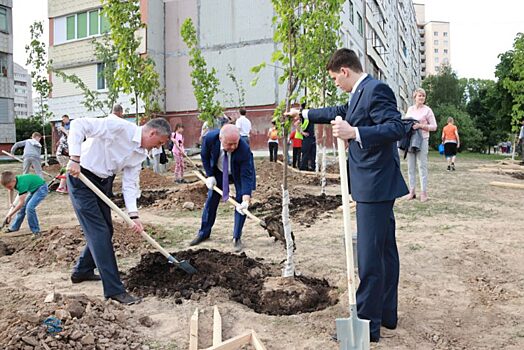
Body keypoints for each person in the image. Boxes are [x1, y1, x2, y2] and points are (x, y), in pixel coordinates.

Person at [286, 48, 408, 343]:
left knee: (368, 256)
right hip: (373, 183)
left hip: (375, 184)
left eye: (335, 79)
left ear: (345, 71)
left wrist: (354, 133)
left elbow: (395, 127)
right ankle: (387, 314)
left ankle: (367, 324)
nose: (335, 85)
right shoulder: (359, 92)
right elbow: (339, 110)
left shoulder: (376, 89)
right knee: (384, 251)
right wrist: (305, 114)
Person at [66, 116, 171, 305]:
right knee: (99, 232)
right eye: (159, 143)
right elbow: (78, 124)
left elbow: (130, 184)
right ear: (152, 133)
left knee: (107, 229)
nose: (158, 148)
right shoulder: (118, 127)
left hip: (103, 182)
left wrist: (134, 215)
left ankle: (82, 271)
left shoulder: (140, 154)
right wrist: (74, 158)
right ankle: (114, 290)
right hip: (81, 177)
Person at [189, 124, 256, 253]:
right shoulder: (209, 139)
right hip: (219, 172)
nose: (233, 147)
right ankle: (204, 233)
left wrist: (246, 199)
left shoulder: (243, 148)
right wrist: (210, 175)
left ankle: (236, 237)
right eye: (229, 144)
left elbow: (246, 175)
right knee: (211, 200)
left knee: (241, 204)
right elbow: (204, 156)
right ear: (221, 138)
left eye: (235, 143)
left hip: (238, 173)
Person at [404, 88, 437, 202]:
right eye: (420, 95)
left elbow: (434, 126)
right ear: (415, 97)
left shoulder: (428, 110)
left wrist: (421, 126)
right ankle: (412, 191)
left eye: (423, 96)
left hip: (422, 139)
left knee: (422, 166)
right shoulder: (410, 109)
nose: (422, 97)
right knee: (410, 167)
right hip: (410, 140)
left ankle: (424, 193)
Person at [1, 171, 48, 237]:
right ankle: (15, 227)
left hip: (41, 189)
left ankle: (36, 231)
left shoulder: (21, 184)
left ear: (14, 180)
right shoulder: (13, 182)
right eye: (7, 187)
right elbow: (10, 190)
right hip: (33, 190)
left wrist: (10, 215)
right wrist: (11, 202)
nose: (9, 188)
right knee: (23, 209)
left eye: (9, 186)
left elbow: (20, 203)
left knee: (29, 208)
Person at [56, 115, 71, 194]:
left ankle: (65, 186)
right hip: (62, 155)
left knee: (65, 169)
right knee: (67, 169)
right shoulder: (66, 137)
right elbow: (66, 149)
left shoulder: (64, 136)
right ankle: (61, 187)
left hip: (61, 154)